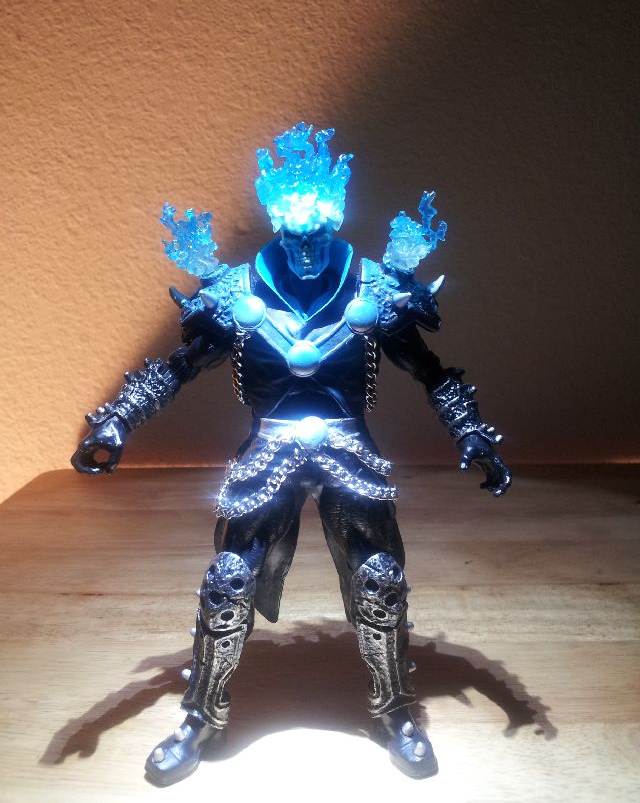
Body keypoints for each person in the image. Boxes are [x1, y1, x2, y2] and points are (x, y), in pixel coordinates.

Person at [72, 122, 511, 785]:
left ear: (334, 218)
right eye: (294, 230)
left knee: (379, 580)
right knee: (228, 580)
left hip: (348, 447)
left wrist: (470, 430)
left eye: (318, 229)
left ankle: (395, 710)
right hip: (267, 449)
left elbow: (430, 370)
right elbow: (180, 365)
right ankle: (202, 716)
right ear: (276, 221)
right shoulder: (236, 291)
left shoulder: (373, 287)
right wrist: (117, 422)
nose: (306, 245)